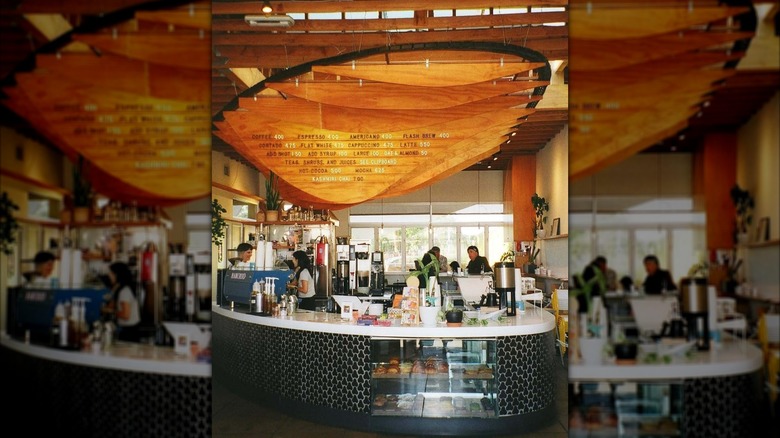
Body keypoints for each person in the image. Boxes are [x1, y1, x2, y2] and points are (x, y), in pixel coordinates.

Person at [108, 261, 141, 342]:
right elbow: (112, 304)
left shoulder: (124, 291)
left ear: (117, 275)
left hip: (129, 332)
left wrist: (111, 312)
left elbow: (126, 315)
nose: (109, 276)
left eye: (111, 273)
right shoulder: (121, 288)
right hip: (129, 330)